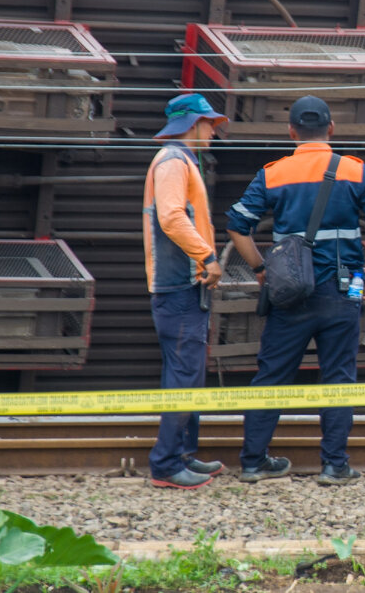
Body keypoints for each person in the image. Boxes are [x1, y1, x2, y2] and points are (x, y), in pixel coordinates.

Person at [226, 95, 365, 486]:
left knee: (270, 376)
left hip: (289, 292)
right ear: (331, 129)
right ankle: (334, 465)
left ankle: (253, 462)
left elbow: (237, 225)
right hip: (344, 291)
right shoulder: (355, 171)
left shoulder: (273, 174)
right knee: (338, 376)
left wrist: (260, 269)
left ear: (291, 132)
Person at [142, 93, 228, 489]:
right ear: (193, 124)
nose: (214, 130)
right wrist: (207, 257)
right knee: (182, 374)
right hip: (178, 287)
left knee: (186, 373)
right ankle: (165, 464)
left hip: (183, 287)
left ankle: (182, 455)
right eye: (211, 123)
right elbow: (172, 217)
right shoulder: (174, 162)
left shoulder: (180, 161)